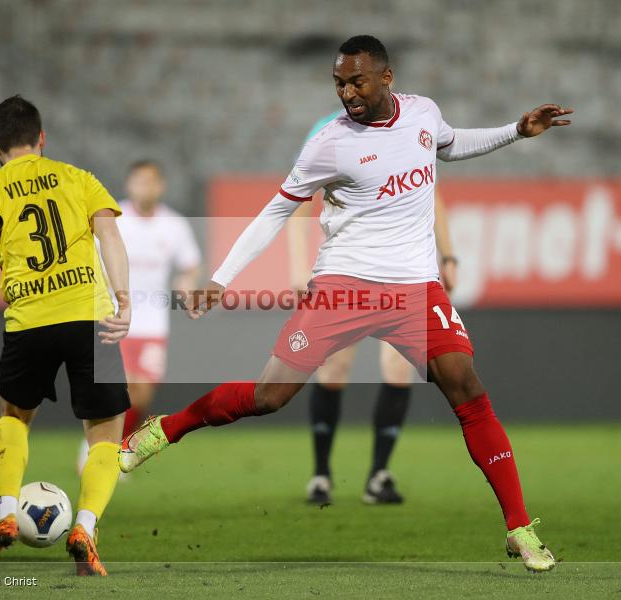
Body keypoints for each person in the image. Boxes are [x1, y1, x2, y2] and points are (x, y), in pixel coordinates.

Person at [121, 36, 572, 571]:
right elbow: (275, 211)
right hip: (345, 286)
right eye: (339, 83)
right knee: (269, 397)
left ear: (386, 77)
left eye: (357, 81)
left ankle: (519, 528)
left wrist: (516, 131)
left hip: (414, 287)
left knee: (467, 388)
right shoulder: (330, 144)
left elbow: (450, 145)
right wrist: (220, 279)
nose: (347, 93)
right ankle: (166, 429)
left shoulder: (424, 113)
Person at [0, 95, 131, 576]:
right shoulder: (80, 179)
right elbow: (110, 236)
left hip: (30, 319)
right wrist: (124, 297)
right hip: (88, 317)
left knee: (14, 417)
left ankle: (3, 517)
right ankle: (86, 527)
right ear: (42, 138)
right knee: (104, 436)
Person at [288, 165, 458, 504]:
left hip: (401, 273)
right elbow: (299, 204)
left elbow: (433, 199)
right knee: (333, 371)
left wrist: (448, 255)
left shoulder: (408, 131)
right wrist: (297, 268)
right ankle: (321, 474)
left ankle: (378, 475)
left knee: (399, 369)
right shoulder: (335, 136)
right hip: (348, 270)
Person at [76, 160, 201, 474]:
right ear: (129, 184)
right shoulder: (113, 218)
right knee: (117, 387)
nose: (145, 186)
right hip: (114, 315)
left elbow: (190, 263)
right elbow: (90, 257)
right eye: (139, 181)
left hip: (153, 322)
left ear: (161, 186)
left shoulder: (174, 225)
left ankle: (113, 447)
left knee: (142, 391)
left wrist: (186, 283)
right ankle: (99, 450)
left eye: (151, 181)